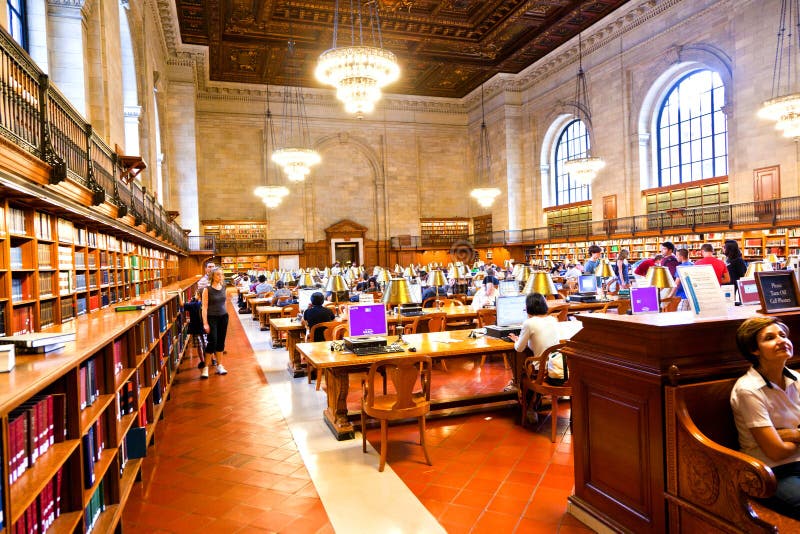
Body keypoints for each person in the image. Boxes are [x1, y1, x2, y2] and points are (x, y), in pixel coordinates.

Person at [730, 317, 800, 519]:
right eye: (770, 338)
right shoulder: (748, 390)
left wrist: (789, 434)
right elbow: (776, 452)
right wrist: (796, 435)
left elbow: (781, 444)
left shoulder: (797, 380)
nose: (781, 341)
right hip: (771, 472)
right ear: (755, 350)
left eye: (783, 335)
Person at [508, 293, 561, 362]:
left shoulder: (529, 323)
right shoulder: (553, 319)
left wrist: (516, 340)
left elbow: (519, 348)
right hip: (556, 364)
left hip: (541, 366)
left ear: (528, 308)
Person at [201, 268, 229, 378]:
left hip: (223, 317)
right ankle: (206, 367)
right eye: (218, 274)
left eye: (221, 274)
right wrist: (205, 323)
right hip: (212, 318)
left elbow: (224, 303)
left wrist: (225, 313)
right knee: (212, 341)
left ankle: (219, 365)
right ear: (213, 276)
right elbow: (204, 307)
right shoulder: (207, 290)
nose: (220, 276)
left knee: (221, 342)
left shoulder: (224, 288)